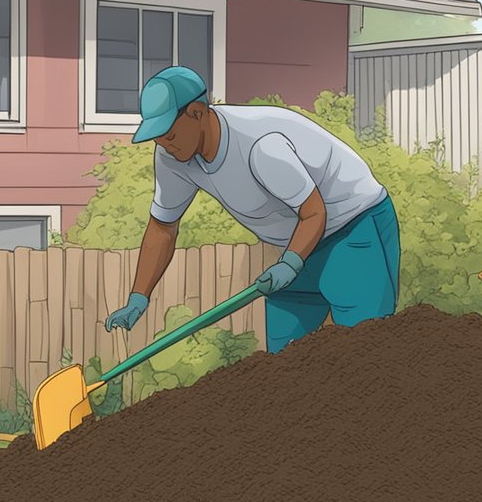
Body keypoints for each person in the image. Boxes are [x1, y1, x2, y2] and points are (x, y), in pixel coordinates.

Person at [103, 66, 401, 353]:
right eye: (156, 137)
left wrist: (290, 264)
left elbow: (314, 212)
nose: (164, 145)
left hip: (353, 228)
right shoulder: (173, 157)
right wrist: (138, 297)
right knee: (285, 360)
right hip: (296, 244)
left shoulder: (260, 146)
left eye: (168, 135)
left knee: (364, 350)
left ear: (197, 112)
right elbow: (162, 228)